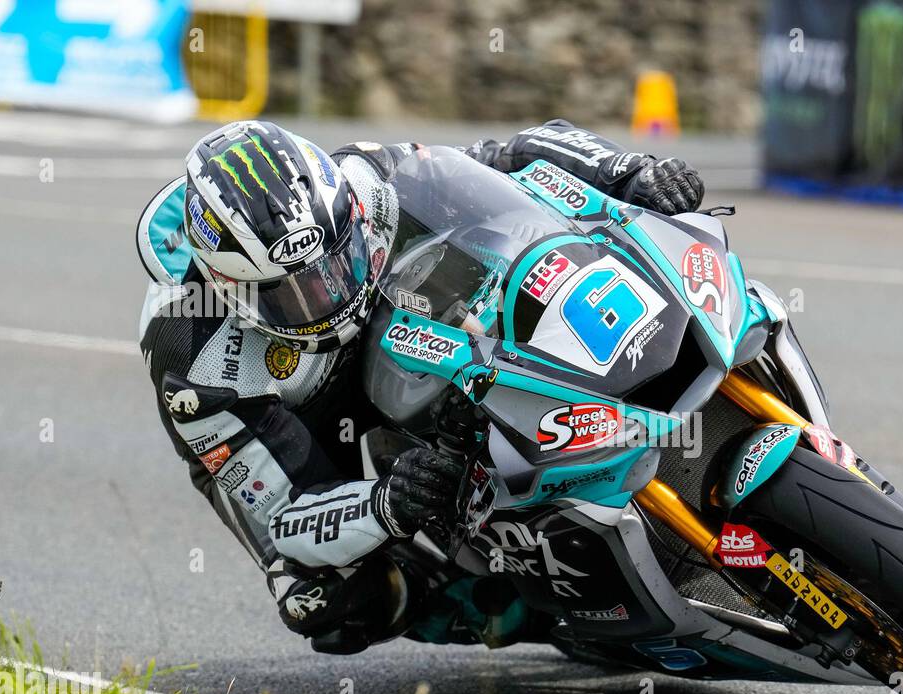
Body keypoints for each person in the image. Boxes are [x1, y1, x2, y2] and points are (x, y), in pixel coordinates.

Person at [136, 119, 704, 654]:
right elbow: (287, 511)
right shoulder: (191, 356)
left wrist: (624, 171)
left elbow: (508, 159)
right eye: (294, 293)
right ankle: (502, 604)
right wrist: (385, 503)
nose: (330, 296)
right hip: (300, 426)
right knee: (320, 598)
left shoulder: (364, 178)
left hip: (407, 326)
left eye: (339, 261)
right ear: (228, 285)